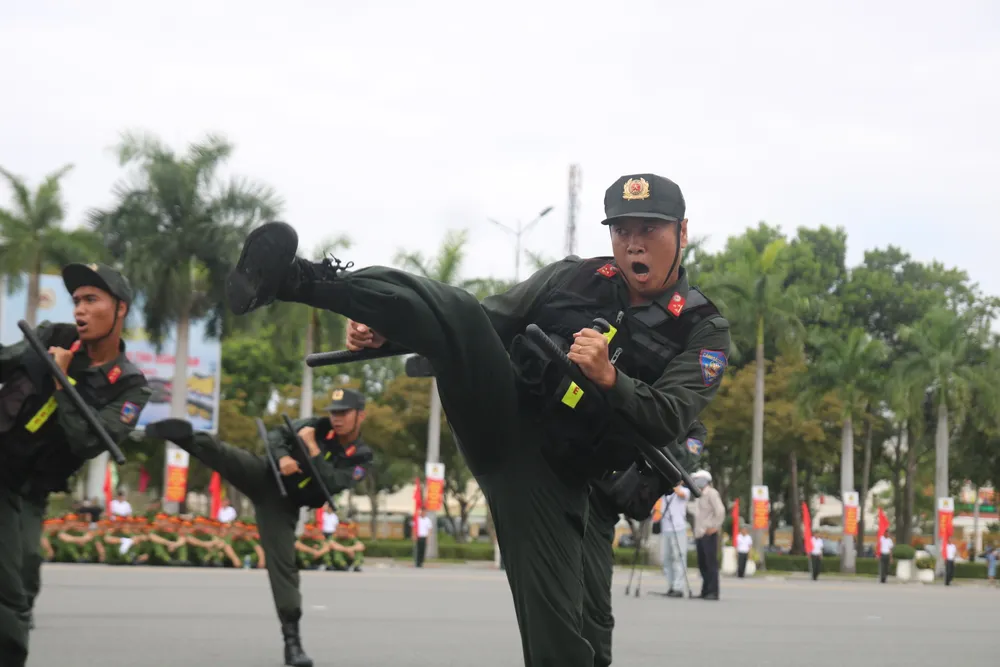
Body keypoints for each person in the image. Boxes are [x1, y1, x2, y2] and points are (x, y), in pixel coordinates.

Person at [222, 172, 731, 666]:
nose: (634, 244)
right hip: (504, 418)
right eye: (622, 230)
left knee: (575, 640)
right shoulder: (572, 276)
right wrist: (387, 333)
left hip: (565, 479)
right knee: (461, 310)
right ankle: (298, 279)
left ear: (682, 233)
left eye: (650, 229)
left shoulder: (702, 329)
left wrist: (607, 377)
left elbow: (669, 417)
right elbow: (479, 325)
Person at [145, 386, 374, 667]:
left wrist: (311, 448)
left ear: (360, 416)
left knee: (284, 567)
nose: (336, 418)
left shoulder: (361, 456)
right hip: (266, 474)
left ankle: (293, 643)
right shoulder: (317, 425)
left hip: (284, 504)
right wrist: (284, 457)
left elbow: (332, 483)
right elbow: (277, 435)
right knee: (225, 455)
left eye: (344, 413)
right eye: (334, 412)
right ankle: (184, 436)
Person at [0, 262, 151, 667]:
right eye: (76, 301)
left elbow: (87, 441)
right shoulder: (52, 335)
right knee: (9, 590)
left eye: (91, 300)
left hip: (30, 487)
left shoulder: (131, 385)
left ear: (119, 309)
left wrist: (61, 382)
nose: (79, 310)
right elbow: (7, 359)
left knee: (27, 571)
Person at [581, 421, 707, 667]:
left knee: (595, 608)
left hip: (607, 506)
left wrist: (658, 443)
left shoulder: (690, 425)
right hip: (584, 488)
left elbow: (686, 458)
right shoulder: (627, 392)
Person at [689, 470, 725, 600]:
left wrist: (714, 526)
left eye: (697, 479)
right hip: (700, 534)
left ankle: (713, 592)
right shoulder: (699, 495)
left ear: (704, 480)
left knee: (711, 564)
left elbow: (720, 511)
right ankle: (705, 591)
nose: (695, 481)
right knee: (703, 564)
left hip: (708, 533)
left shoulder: (712, 493)